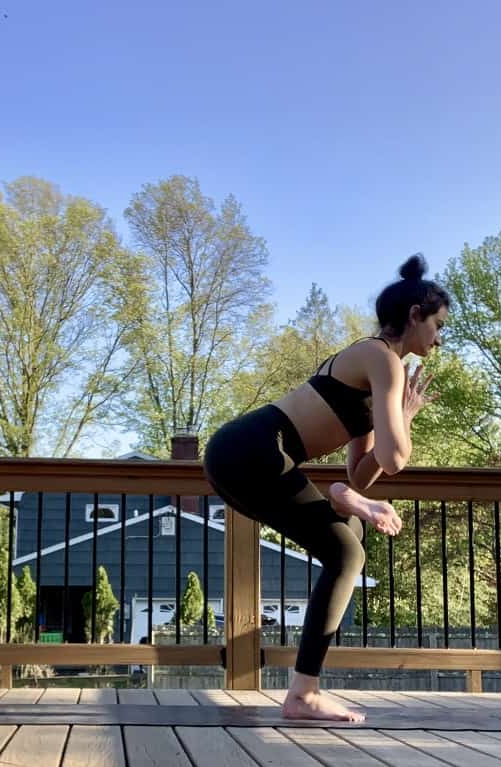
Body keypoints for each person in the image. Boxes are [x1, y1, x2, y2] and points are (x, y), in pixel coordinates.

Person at [203, 254, 449, 721]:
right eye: (436, 324)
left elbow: (364, 471)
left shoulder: (372, 367)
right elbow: (397, 459)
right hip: (254, 449)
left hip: (244, 457)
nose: (438, 338)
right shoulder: (381, 357)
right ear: (414, 315)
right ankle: (303, 694)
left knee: (347, 541)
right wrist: (405, 414)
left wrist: (392, 429)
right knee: (347, 554)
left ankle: (340, 500)